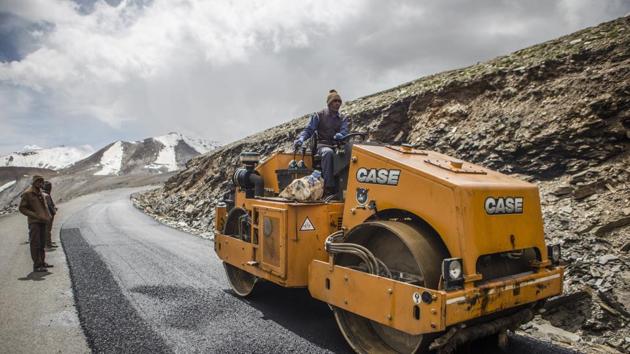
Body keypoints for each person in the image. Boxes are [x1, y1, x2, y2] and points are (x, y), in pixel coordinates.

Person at [294, 89, 349, 196]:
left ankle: (345, 187)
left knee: (350, 153)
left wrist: (342, 135)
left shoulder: (343, 118)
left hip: (337, 145)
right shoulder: (319, 115)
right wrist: (301, 139)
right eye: (335, 101)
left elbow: (344, 131)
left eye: (339, 101)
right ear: (329, 103)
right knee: (328, 153)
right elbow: (309, 130)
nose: (337, 103)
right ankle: (329, 188)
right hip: (323, 146)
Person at [19, 175, 53, 272]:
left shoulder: (40, 192)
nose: (40, 183)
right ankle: (37, 265)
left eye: (41, 182)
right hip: (34, 222)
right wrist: (35, 215)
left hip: (43, 221)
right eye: (38, 181)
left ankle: (42, 262)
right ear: (34, 182)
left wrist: (47, 216)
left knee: (42, 243)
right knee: (35, 243)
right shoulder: (28, 193)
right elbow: (22, 208)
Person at [42, 181, 58, 249]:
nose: (50, 188)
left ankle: (49, 242)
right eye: (49, 186)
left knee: (47, 229)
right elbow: (48, 206)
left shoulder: (45, 194)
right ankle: (48, 244)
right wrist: (53, 210)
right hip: (49, 215)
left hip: (49, 214)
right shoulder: (46, 195)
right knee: (47, 229)